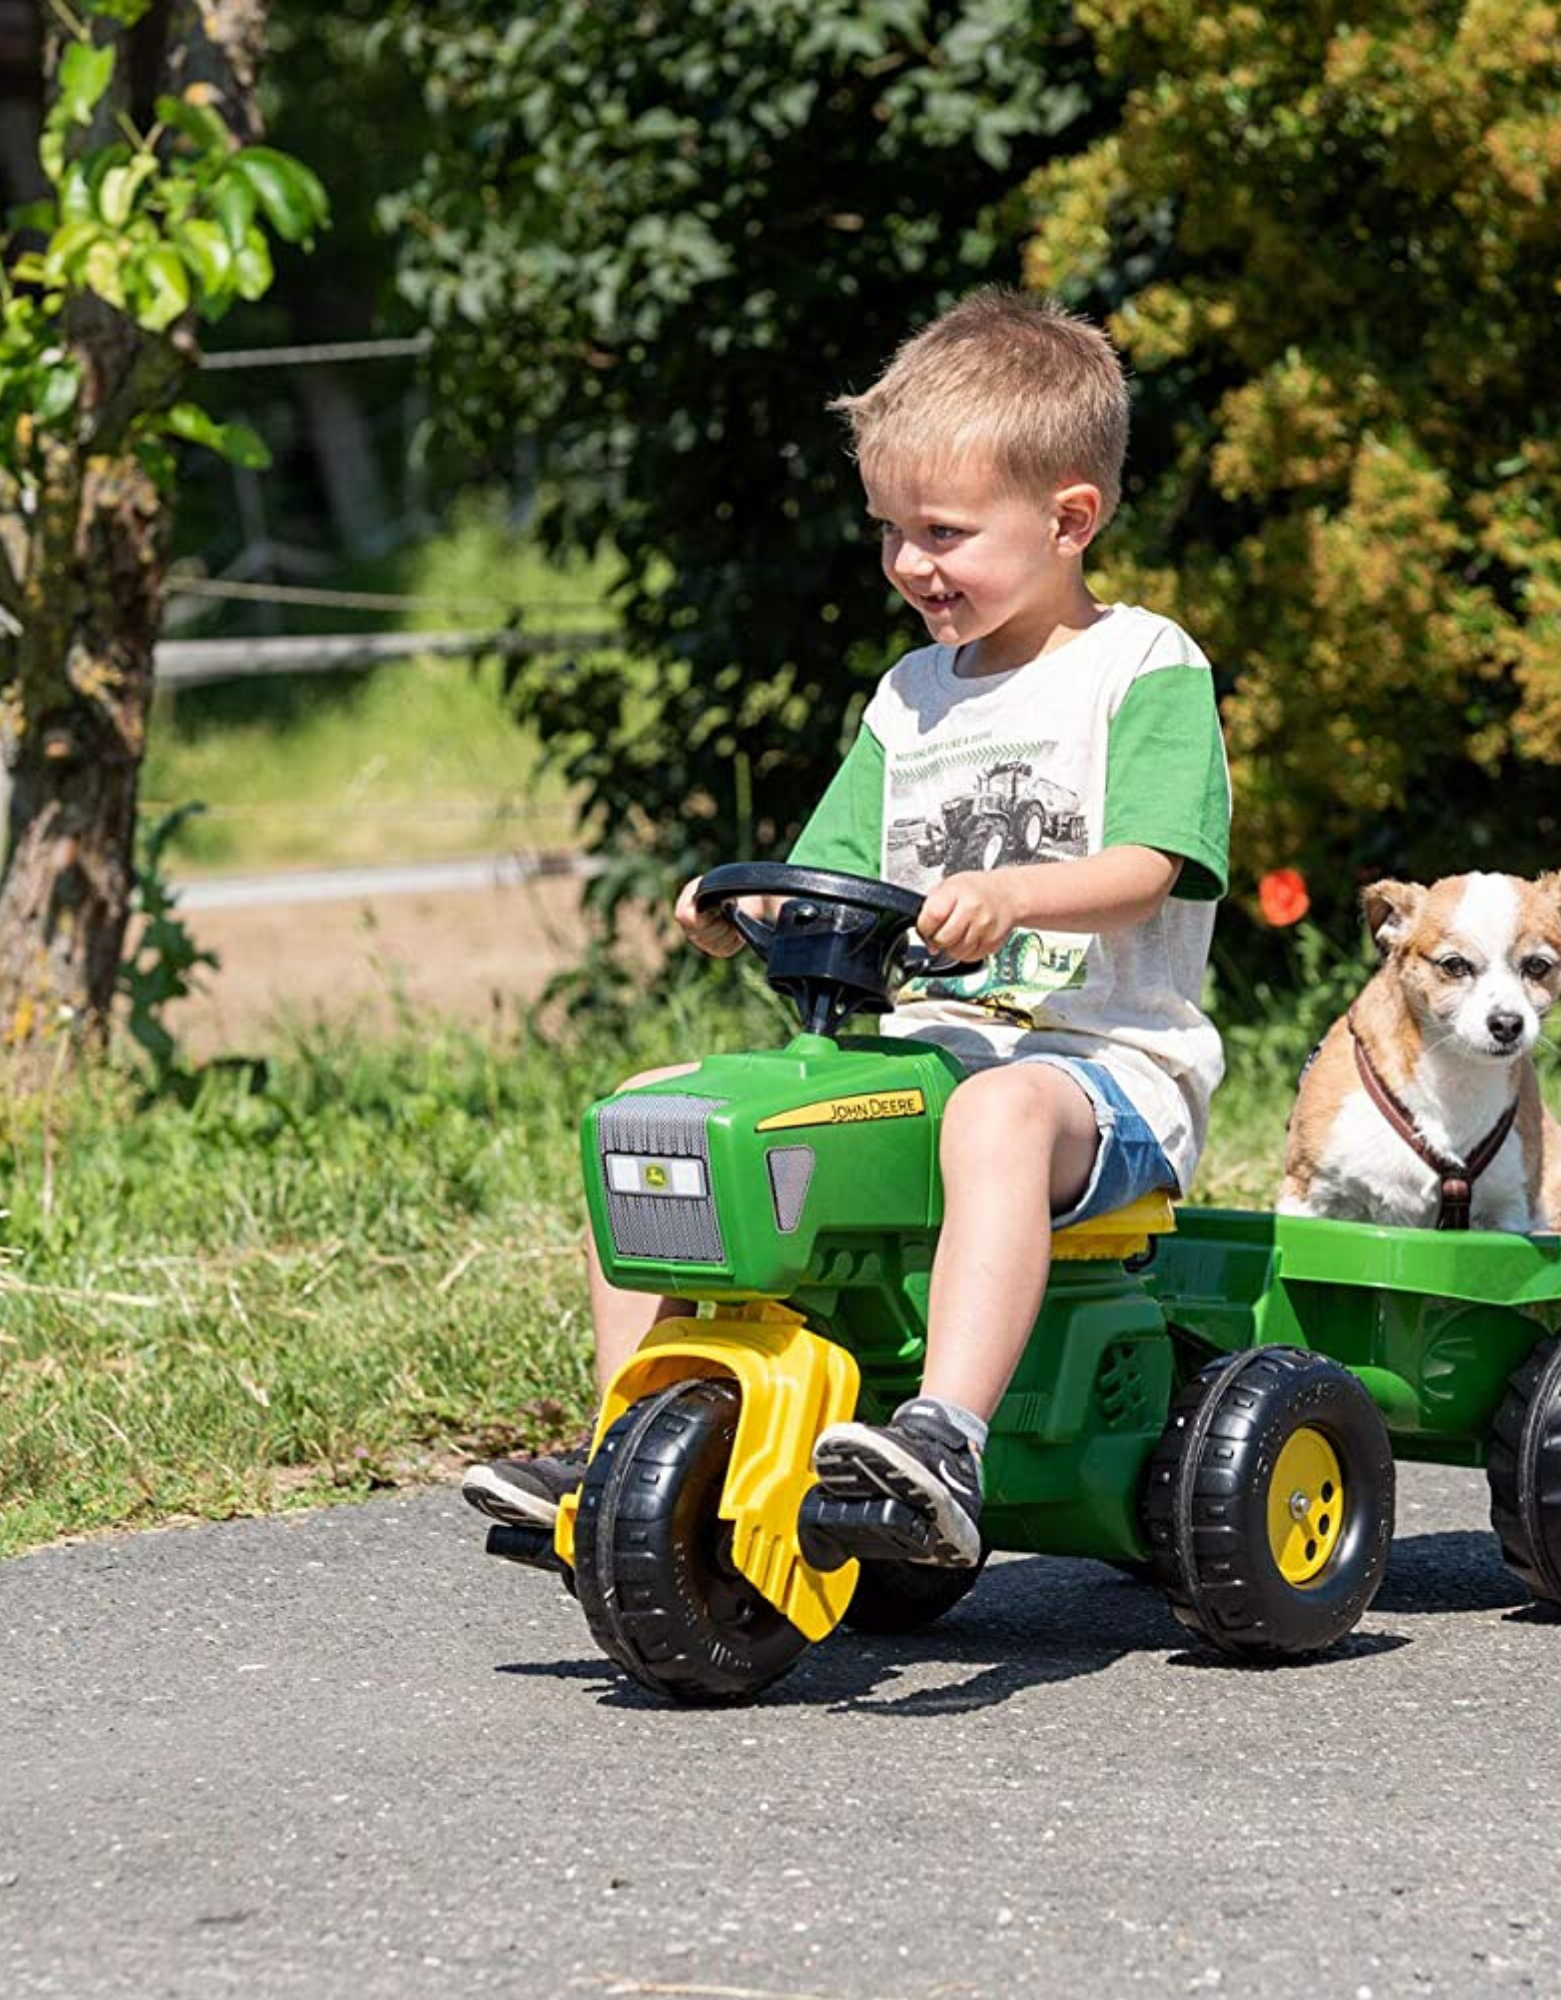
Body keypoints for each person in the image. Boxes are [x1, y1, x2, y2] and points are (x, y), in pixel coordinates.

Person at [464, 288, 1230, 1566]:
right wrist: (741, 904)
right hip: (923, 1060)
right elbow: (825, 872)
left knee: (996, 1113)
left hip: (1099, 1072)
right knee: (660, 1107)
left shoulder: (1141, 666)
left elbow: (1154, 866)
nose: (910, 564)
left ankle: (945, 1434)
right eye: (890, 531)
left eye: (943, 533)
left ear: (1068, 519)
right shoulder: (908, 696)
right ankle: (631, 1440)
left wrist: (1013, 893)